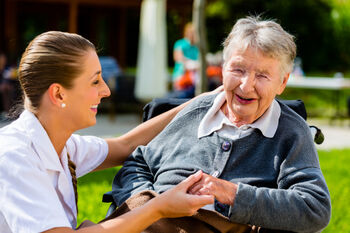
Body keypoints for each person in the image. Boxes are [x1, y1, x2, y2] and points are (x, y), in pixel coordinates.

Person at [112, 16, 331, 232]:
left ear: (282, 82)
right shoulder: (196, 112)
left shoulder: (291, 133)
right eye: (238, 70)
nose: (246, 87)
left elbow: (315, 207)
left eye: (262, 75)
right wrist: (145, 207)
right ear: (223, 68)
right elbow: (138, 163)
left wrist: (233, 194)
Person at [0, 31, 216, 233]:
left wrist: (203, 101)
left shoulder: (61, 144)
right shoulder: (15, 156)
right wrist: (159, 207)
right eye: (95, 81)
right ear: (58, 94)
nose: (106, 90)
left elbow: (126, 146)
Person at [170, 22, 199, 98]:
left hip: (194, 79)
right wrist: (193, 63)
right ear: (187, 33)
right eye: (191, 32)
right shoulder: (180, 44)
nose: (193, 35)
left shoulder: (197, 46)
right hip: (181, 76)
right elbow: (178, 58)